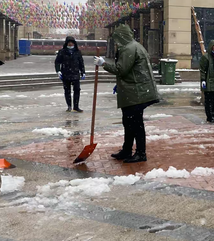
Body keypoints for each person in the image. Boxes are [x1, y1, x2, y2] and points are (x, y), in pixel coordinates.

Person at [94, 24, 159, 163]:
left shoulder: (129, 48)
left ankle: (141, 153)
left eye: (117, 39)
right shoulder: (135, 46)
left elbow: (121, 69)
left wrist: (103, 64)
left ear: (122, 37)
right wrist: (121, 84)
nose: (116, 43)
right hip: (135, 90)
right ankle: (127, 149)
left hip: (136, 93)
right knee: (129, 122)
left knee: (135, 124)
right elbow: (132, 71)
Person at [55, 36, 85, 113]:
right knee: (67, 90)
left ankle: (76, 106)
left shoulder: (77, 52)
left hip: (75, 73)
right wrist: (58, 71)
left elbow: (81, 63)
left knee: (77, 90)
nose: (70, 44)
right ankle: (69, 106)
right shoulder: (62, 52)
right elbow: (57, 62)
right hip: (66, 73)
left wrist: (83, 72)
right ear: (66, 43)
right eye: (69, 42)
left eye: (72, 42)